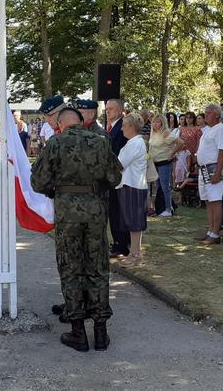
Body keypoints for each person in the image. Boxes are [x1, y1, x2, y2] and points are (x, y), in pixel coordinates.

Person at [31, 107, 122, 352]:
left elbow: (38, 181)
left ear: (60, 125)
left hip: (67, 212)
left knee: (71, 268)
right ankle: (101, 334)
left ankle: (78, 333)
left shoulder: (56, 143)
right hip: (95, 211)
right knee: (98, 267)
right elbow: (115, 178)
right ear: (82, 122)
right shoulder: (101, 142)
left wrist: (58, 187)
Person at [115, 114, 148, 267]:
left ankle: (135, 255)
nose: (122, 129)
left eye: (124, 125)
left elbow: (119, 164)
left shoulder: (134, 143)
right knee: (133, 222)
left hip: (132, 185)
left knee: (134, 222)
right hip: (132, 185)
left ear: (132, 127)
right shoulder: (134, 142)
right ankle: (136, 253)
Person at [194, 104, 223, 244]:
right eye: (205, 113)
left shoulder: (220, 129)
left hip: (213, 169)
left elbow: (222, 152)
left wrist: (217, 173)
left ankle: (215, 234)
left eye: (209, 113)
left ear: (217, 115)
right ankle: (210, 230)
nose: (206, 115)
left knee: (215, 201)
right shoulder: (207, 129)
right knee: (208, 201)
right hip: (203, 169)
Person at [105, 98, 131, 256]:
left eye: (112, 109)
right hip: (113, 177)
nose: (108, 111)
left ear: (121, 110)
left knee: (118, 212)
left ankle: (122, 245)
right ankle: (118, 243)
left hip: (119, 177)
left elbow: (118, 153)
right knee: (114, 211)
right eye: (107, 109)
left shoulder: (122, 127)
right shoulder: (112, 127)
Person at [149, 114, 183, 217]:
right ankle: (161, 207)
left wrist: (172, 153)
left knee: (165, 186)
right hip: (155, 162)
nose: (155, 124)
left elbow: (180, 143)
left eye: (158, 122)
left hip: (164, 162)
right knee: (158, 186)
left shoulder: (166, 133)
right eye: (154, 122)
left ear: (162, 123)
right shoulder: (153, 133)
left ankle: (169, 209)